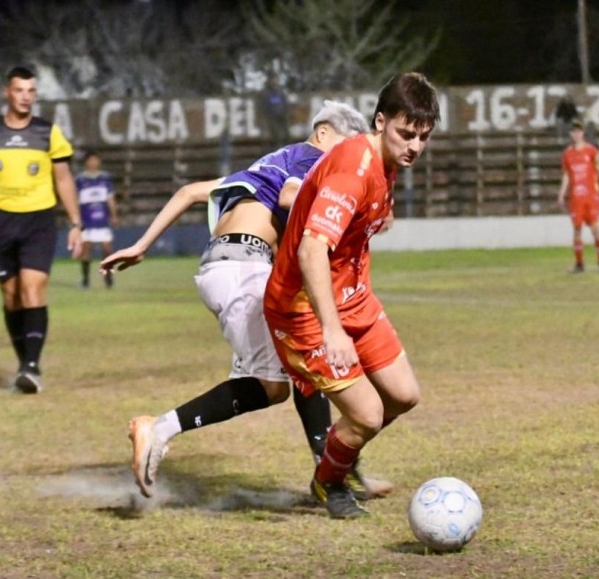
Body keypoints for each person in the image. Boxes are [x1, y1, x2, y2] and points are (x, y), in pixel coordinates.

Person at [100, 101, 391, 501]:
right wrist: (356, 204)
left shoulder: (265, 167)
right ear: (323, 133)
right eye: (345, 147)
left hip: (225, 266)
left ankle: (333, 471)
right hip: (245, 267)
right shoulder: (310, 159)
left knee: (302, 367)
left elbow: (188, 192)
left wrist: (141, 245)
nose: (348, 160)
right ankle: (159, 429)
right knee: (277, 383)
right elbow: (292, 195)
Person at [263, 72, 440, 519]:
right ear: (380, 122)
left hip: (353, 298)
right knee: (367, 415)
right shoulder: (353, 169)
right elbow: (310, 249)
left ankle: (340, 452)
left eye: (423, 136)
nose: (415, 146)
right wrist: (332, 329)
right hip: (303, 308)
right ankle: (329, 482)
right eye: (406, 134)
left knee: (403, 396)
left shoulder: (385, 163)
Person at [0, 66, 83, 394]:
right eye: (19, 90)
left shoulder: (48, 132)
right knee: (11, 295)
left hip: (38, 221)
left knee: (32, 288)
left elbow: (63, 178)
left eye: (31, 91)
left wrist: (75, 223)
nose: (26, 97)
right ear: (7, 92)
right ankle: (24, 364)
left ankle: (32, 366)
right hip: (0, 221)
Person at [558, 118, 599, 273]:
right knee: (577, 229)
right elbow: (567, 175)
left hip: (591, 196)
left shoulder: (592, 151)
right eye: (574, 132)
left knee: (595, 229)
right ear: (571, 134)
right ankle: (579, 264)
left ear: (583, 133)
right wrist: (561, 193)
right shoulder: (567, 154)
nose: (577, 134)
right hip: (576, 198)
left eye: (579, 131)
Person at [75, 150, 118, 289]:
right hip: (86, 220)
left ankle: (108, 278)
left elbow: (110, 198)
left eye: (96, 160)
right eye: (91, 160)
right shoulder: (80, 180)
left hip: (102, 220)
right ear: (86, 162)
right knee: (86, 249)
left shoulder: (105, 178)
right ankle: (85, 280)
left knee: (107, 249)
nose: (93, 162)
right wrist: (76, 219)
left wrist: (114, 215)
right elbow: (75, 200)